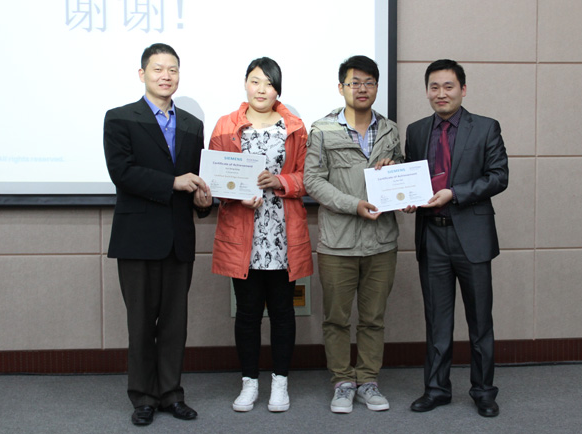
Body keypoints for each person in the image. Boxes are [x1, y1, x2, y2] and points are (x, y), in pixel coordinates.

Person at [103, 43, 212, 426]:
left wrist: (203, 200)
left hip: (179, 238)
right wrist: (172, 182)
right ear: (142, 74)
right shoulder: (120, 118)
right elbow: (122, 172)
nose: (166, 76)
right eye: (158, 69)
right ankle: (143, 397)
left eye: (173, 69)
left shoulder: (192, 125)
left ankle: (171, 393)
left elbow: (197, 180)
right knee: (140, 323)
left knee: (174, 324)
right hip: (137, 238)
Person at [404, 59, 508, 417]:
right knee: (437, 320)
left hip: (471, 237)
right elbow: (412, 177)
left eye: (448, 86)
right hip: (431, 236)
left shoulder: (486, 127)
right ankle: (436, 389)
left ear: (463, 89)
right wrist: (406, 196)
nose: (441, 93)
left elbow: (499, 176)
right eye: (434, 87)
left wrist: (455, 193)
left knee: (480, 322)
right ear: (427, 91)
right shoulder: (417, 131)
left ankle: (483, 391)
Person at [209, 57, 313, 413]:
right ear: (245, 83)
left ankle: (280, 382)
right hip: (243, 235)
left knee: (283, 311)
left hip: (283, 234)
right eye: (255, 81)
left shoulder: (294, 127)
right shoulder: (225, 125)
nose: (261, 89)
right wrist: (237, 194)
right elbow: (215, 178)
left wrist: (279, 181)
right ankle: (249, 382)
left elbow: (307, 177)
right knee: (248, 313)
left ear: (277, 89)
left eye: (269, 83)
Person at [304, 55, 403, 413]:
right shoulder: (322, 129)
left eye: (369, 82)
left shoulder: (390, 130)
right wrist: (353, 205)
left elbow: (401, 173)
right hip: (338, 242)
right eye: (354, 82)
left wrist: (396, 173)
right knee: (336, 318)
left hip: (381, 241)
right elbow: (312, 180)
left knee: (373, 318)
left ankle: (369, 380)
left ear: (377, 87)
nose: (362, 88)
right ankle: (343, 382)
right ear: (341, 87)